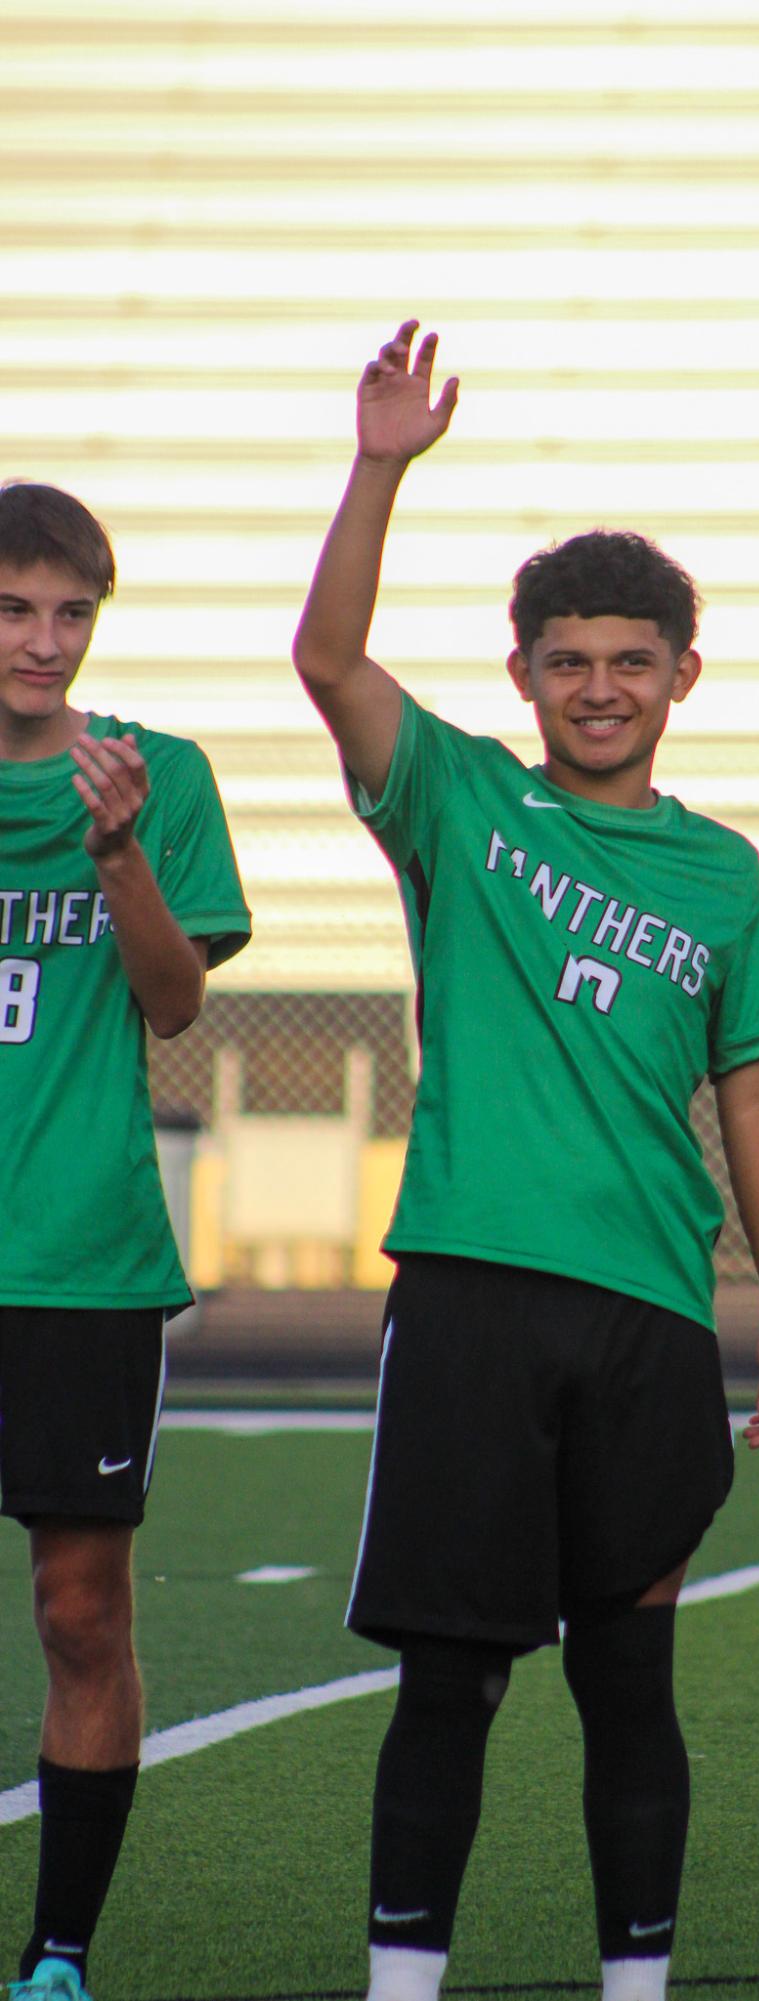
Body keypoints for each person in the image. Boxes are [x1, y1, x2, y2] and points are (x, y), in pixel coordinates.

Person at [293, 320, 759, 2001]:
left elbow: (754, 1088)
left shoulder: (724, 874)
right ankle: (402, 1987)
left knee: (631, 1679)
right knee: (450, 1679)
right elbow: (328, 660)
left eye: (631, 660)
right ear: (520, 674)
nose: (601, 685)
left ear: (681, 677)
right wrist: (379, 467)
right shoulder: (458, 802)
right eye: (569, 658)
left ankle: (635, 1987)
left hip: (651, 1314)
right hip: (470, 1294)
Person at [0, 483, 251, 2001]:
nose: (43, 641)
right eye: (14, 610)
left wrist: (118, 850)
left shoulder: (154, 775)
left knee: (81, 1605)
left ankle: (56, 1954)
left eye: (69, 612)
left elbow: (174, 999)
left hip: (83, 1260)